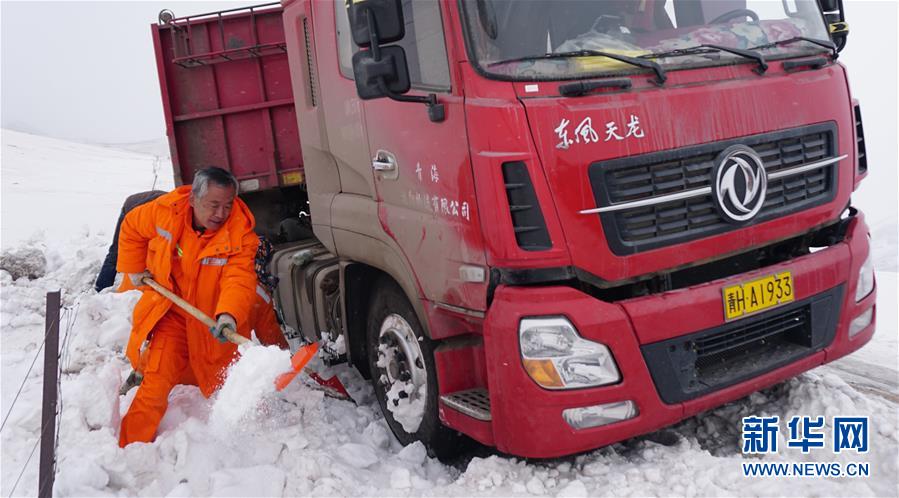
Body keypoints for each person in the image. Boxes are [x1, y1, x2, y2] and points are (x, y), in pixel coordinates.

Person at [116, 167, 263, 447]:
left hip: (210, 320)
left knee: (222, 382)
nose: (221, 213)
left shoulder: (240, 235)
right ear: (193, 199)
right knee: (156, 383)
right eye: (214, 205)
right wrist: (134, 268)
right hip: (172, 313)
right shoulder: (165, 211)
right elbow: (132, 226)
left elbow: (239, 279)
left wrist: (229, 314)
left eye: (227, 205)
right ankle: (129, 449)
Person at [95, 190, 166, 292]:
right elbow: (132, 225)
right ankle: (101, 288)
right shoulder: (156, 207)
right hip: (130, 210)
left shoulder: (173, 211)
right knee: (116, 252)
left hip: (143, 215)